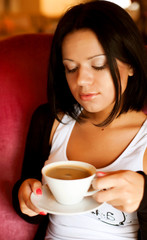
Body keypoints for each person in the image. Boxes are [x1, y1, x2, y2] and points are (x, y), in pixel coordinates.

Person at [12, 1, 147, 239]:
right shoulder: (49, 121)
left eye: (99, 65)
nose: (82, 80)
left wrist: (145, 197)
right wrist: (24, 195)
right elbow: (29, 197)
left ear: (132, 65)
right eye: (71, 68)